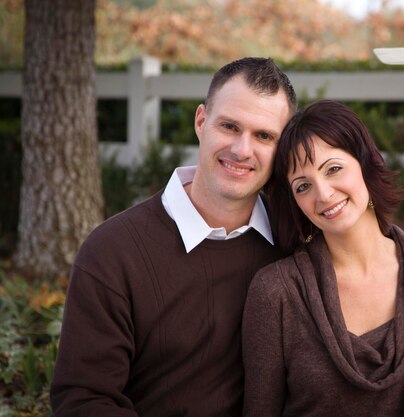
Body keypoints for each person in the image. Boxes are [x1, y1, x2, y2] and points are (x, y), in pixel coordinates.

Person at [50, 57, 297, 417]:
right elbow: (84, 400)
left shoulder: (293, 240)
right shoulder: (113, 252)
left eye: (264, 136)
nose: (242, 150)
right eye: (229, 126)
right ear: (201, 121)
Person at [242, 99, 404, 417]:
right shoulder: (275, 291)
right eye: (303, 185)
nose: (322, 194)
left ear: (365, 163)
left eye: (333, 169)